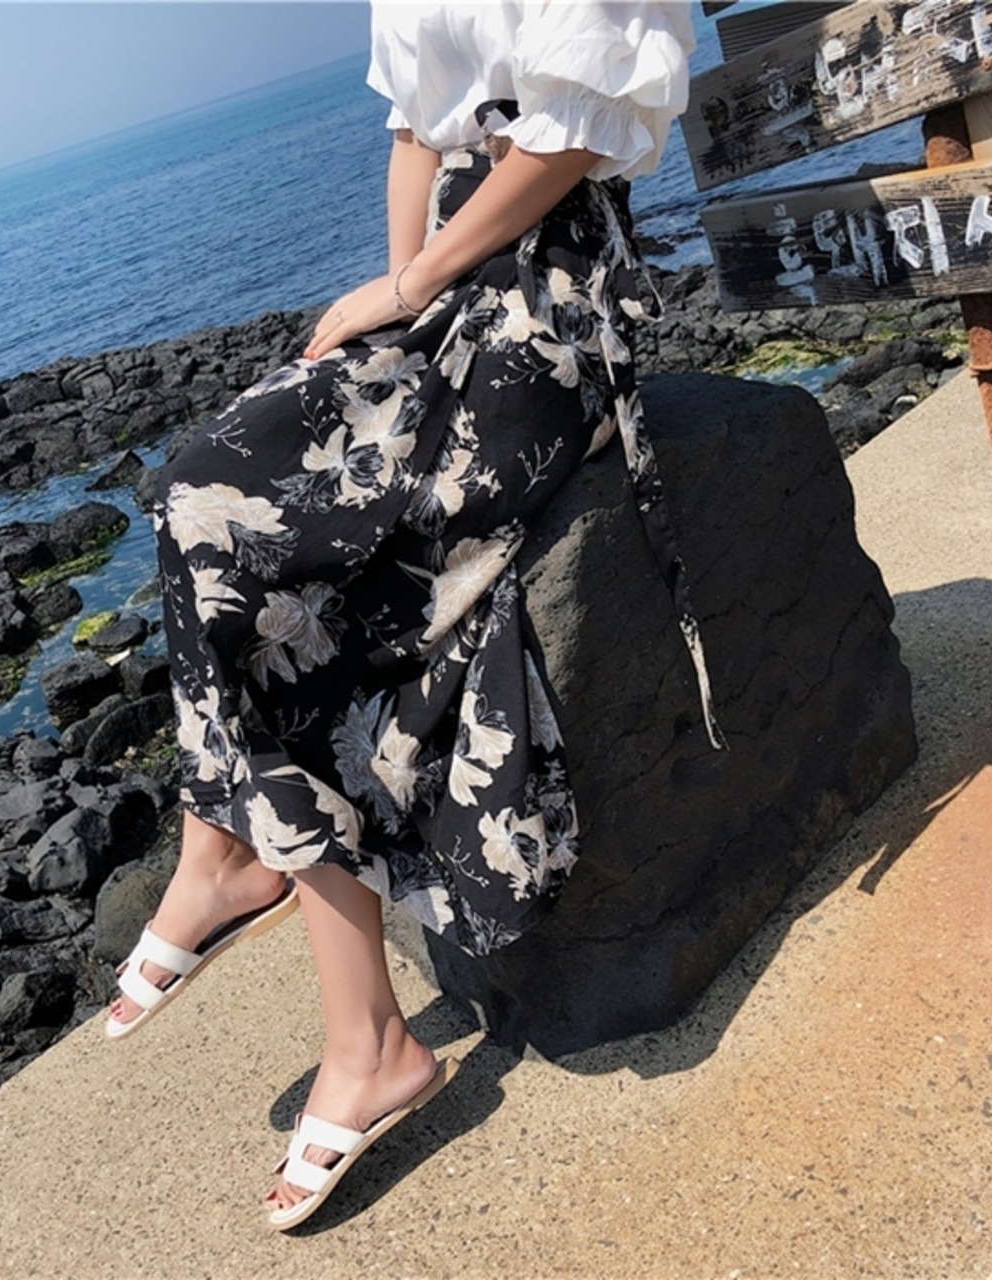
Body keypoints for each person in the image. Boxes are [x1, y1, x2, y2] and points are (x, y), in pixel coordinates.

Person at [107, 0, 708, 1229]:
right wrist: (398, 300)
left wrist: (415, 278)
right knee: (195, 494)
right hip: (443, 285)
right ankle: (240, 878)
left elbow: (566, 137)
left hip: (547, 298)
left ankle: (319, 975)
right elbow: (414, 134)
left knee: (303, 576)